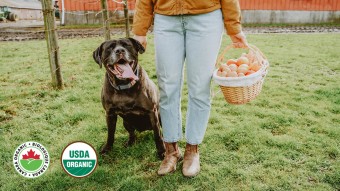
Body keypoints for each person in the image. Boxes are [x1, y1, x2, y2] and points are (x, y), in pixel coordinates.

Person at [132, 0, 248, 177]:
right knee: (167, 87)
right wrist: (140, 30)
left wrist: (234, 27)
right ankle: (171, 151)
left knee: (200, 87)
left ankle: (192, 150)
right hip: (166, 19)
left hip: (206, 18)